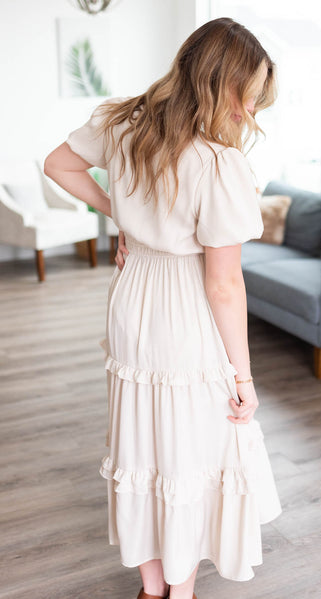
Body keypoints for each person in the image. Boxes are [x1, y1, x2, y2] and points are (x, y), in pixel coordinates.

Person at [44, 16, 282, 599]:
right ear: (222, 84)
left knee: (142, 442)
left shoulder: (121, 122)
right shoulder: (219, 165)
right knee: (191, 450)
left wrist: (118, 215)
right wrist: (245, 377)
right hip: (185, 307)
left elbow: (58, 165)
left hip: (133, 298)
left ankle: (154, 589)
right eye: (247, 96)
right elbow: (223, 285)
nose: (249, 112)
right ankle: (181, 590)